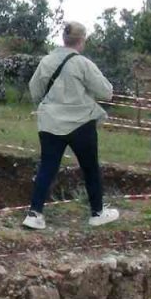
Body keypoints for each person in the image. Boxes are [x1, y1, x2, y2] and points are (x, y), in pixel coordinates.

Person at [22, 22, 120, 230]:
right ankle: (97, 212)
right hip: (80, 122)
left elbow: (35, 89)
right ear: (81, 40)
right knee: (90, 168)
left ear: (64, 38)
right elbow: (106, 92)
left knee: (47, 166)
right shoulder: (83, 63)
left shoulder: (47, 61)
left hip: (49, 121)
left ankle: (35, 213)